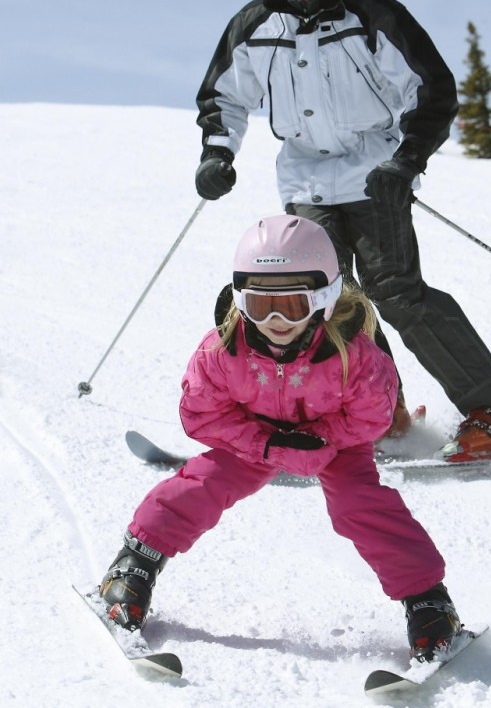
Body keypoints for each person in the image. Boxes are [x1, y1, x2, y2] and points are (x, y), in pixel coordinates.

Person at [193, 0, 491, 461]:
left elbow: (431, 90)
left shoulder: (370, 13)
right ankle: (379, 411)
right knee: (321, 303)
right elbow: (223, 96)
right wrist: (217, 153)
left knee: (395, 292)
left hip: (373, 174)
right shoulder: (255, 26)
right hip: (306, 183)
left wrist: (404, 162)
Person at [100, 214, 461, 661]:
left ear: (325, 297)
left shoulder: (355, 356)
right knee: (204, 482)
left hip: (334, 443)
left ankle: (428, 599)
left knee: (359, 504)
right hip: (256, 435)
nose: (274, 320)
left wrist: (321, 440)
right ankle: (135, 563)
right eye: (258, 304)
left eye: (291, 305)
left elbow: (373, 418)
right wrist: (266, 444)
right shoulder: (221, 350)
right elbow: (201, 414)